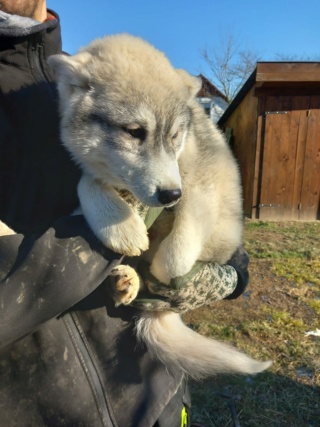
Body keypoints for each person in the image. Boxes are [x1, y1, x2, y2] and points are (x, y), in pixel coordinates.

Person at [0, 1, 249, 426]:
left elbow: (204, 187)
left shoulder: (108, 76)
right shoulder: (88, 86)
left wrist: (231, 272)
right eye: (134, 133)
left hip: (158, 400)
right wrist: (95, 239)